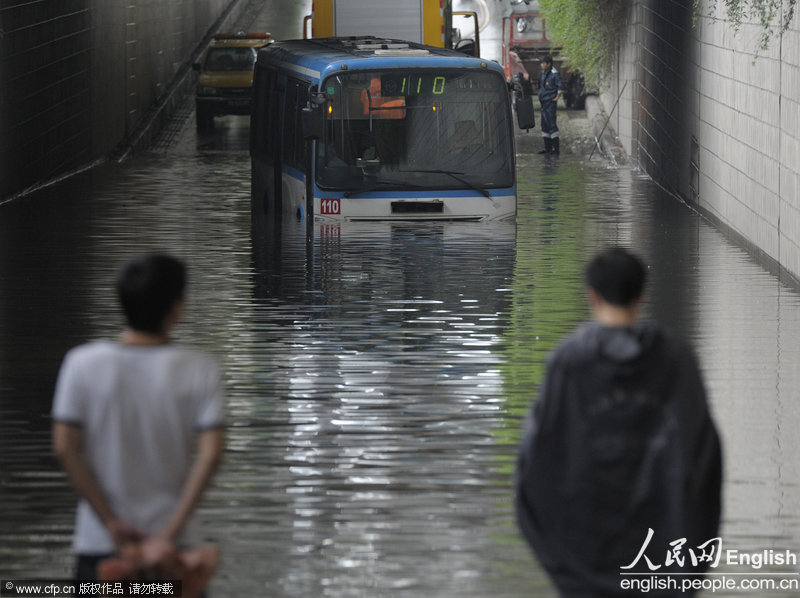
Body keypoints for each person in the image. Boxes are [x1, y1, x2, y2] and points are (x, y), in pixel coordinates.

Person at [515, 247, 722, 598]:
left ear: (592, 296)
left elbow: (537, 461)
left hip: (584, 563)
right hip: (660, 567)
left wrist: (561, 564)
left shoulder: (569, 363)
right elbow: (703, 458)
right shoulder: (677, 360)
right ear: (642, 296)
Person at [52, 253, 225, 588]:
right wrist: (169, 534)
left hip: (101, 545)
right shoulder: (200, 368)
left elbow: (64, 449)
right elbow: (211, 453)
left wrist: (111, 522)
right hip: (174, 551)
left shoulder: (81, 364)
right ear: (176, 309)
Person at [538, 54, 564, 155]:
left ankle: (556, 149)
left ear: (548, 64)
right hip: (544, 103)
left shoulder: (554, 74)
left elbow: (561, 87)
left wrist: (556, 98)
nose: (542, 65)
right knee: (544, 124)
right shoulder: (544, 73)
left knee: (551, 124)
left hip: (550, 103)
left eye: (543, 63)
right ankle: (547, 148)